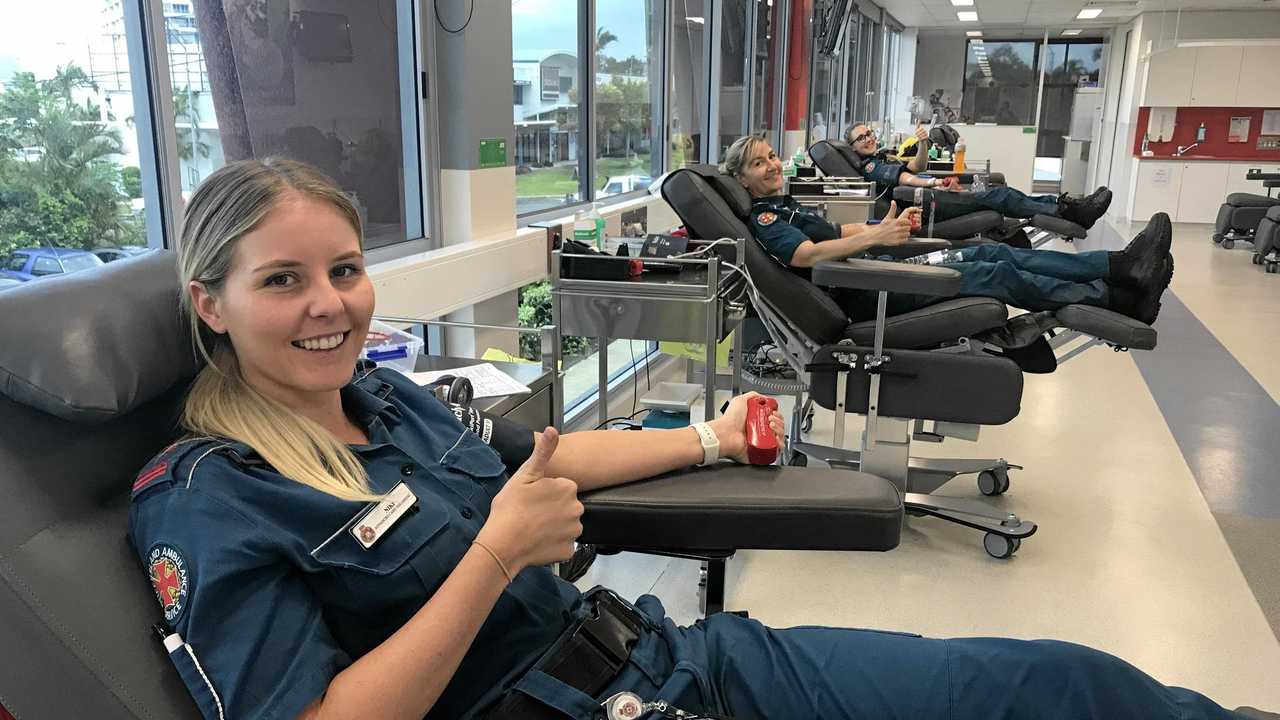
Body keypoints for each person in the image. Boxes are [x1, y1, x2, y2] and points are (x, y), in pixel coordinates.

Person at [129, 158, 1266, 720]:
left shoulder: (383, 404)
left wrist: (714, 439)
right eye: (283, 281)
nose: (331, 304)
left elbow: (547, 466)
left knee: (1058, 686)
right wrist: (491, 557)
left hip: (669, 660)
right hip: (584, 710)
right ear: (210, 303)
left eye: (344, 269)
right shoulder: (209, 498)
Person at [732, 134, 1173, 325]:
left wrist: (881, 224)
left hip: (878, 268)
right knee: (995, 270)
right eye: (759, 163)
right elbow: (805, 255)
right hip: (868, 288)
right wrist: (877, 238)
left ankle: (1118, 268)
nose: (771, 165)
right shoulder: (766, 220)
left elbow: (837, 230)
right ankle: (1117, 297)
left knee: (992, 254)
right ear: (742, 180)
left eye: (771, 156)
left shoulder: (783, 204)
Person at [843, 123, 1113, 229]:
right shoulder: (870, 166)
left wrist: (923, 143)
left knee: (1004, 193)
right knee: (999, 195)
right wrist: (935, 182)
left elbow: (914, 165)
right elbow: (907, 179)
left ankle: (1067, 207)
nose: (868, 139)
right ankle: (1069, 211)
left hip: (930, 195)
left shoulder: (884, 155)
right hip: (923, 204)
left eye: (869, 134)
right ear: (853, 147)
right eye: (861, 138)